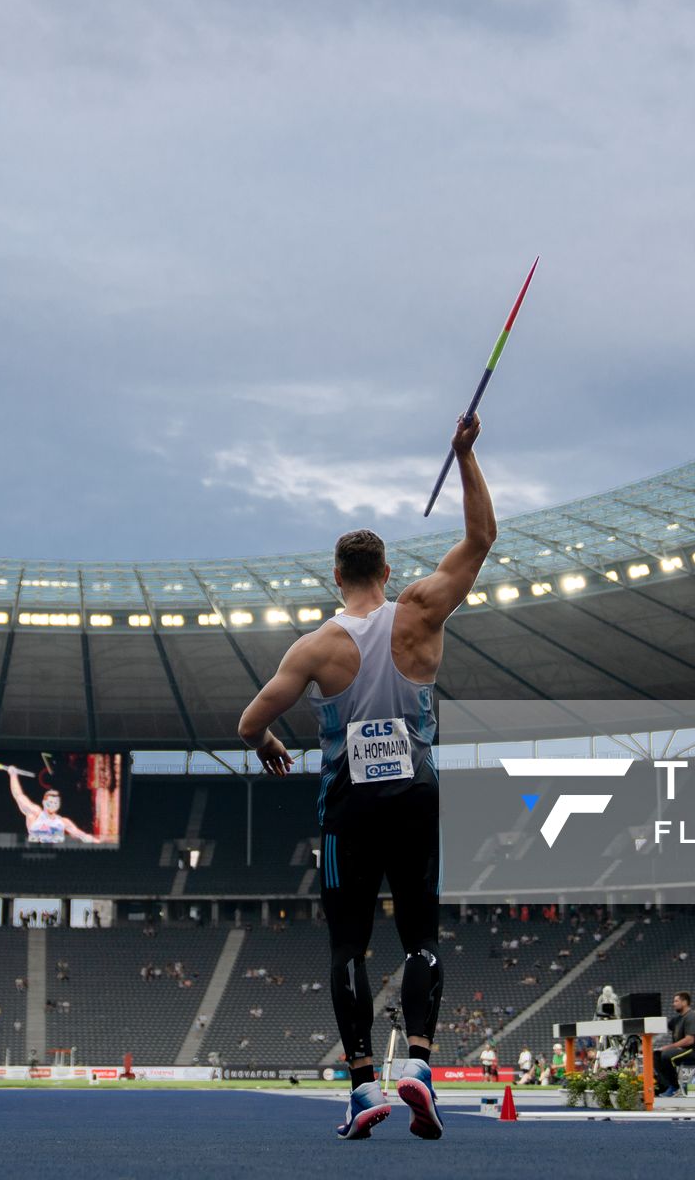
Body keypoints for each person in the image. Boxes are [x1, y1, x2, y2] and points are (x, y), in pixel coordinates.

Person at [237, 414, 495, 1143]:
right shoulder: (419, 611)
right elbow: (480, 540)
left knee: (348, 945)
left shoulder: (317, 646)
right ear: (385, 573)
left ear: (337, 578)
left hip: (349, 803)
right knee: (419, 937)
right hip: (416, 790)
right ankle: (418, 1064)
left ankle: (361, 1085)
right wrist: (465, 456)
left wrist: (266, 744)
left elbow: (250, 720)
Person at [3, 768, 96, 844]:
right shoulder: (35, 813)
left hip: (58, 855)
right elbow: (18, 795)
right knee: (32, 815)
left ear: (58, 805)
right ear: (44, 802)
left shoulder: (63, 822)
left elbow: (82, 835)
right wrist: (13, 775)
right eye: (50, 802)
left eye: (55, 803)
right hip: (36, 852)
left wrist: (97, 842)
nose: (52, 805)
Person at [653, 991, 695, 1097]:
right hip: (682, 1050)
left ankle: (676, 1087)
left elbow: (690, 1040)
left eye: (676, 1001)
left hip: (694, 1051)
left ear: (685, 1002)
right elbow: (662, 1027)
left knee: (667, 1055)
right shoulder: (678, 1019)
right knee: (656, 1054)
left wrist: (669, 1047)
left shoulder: (691, 1017)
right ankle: (665, 1086)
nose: (673, 1003)